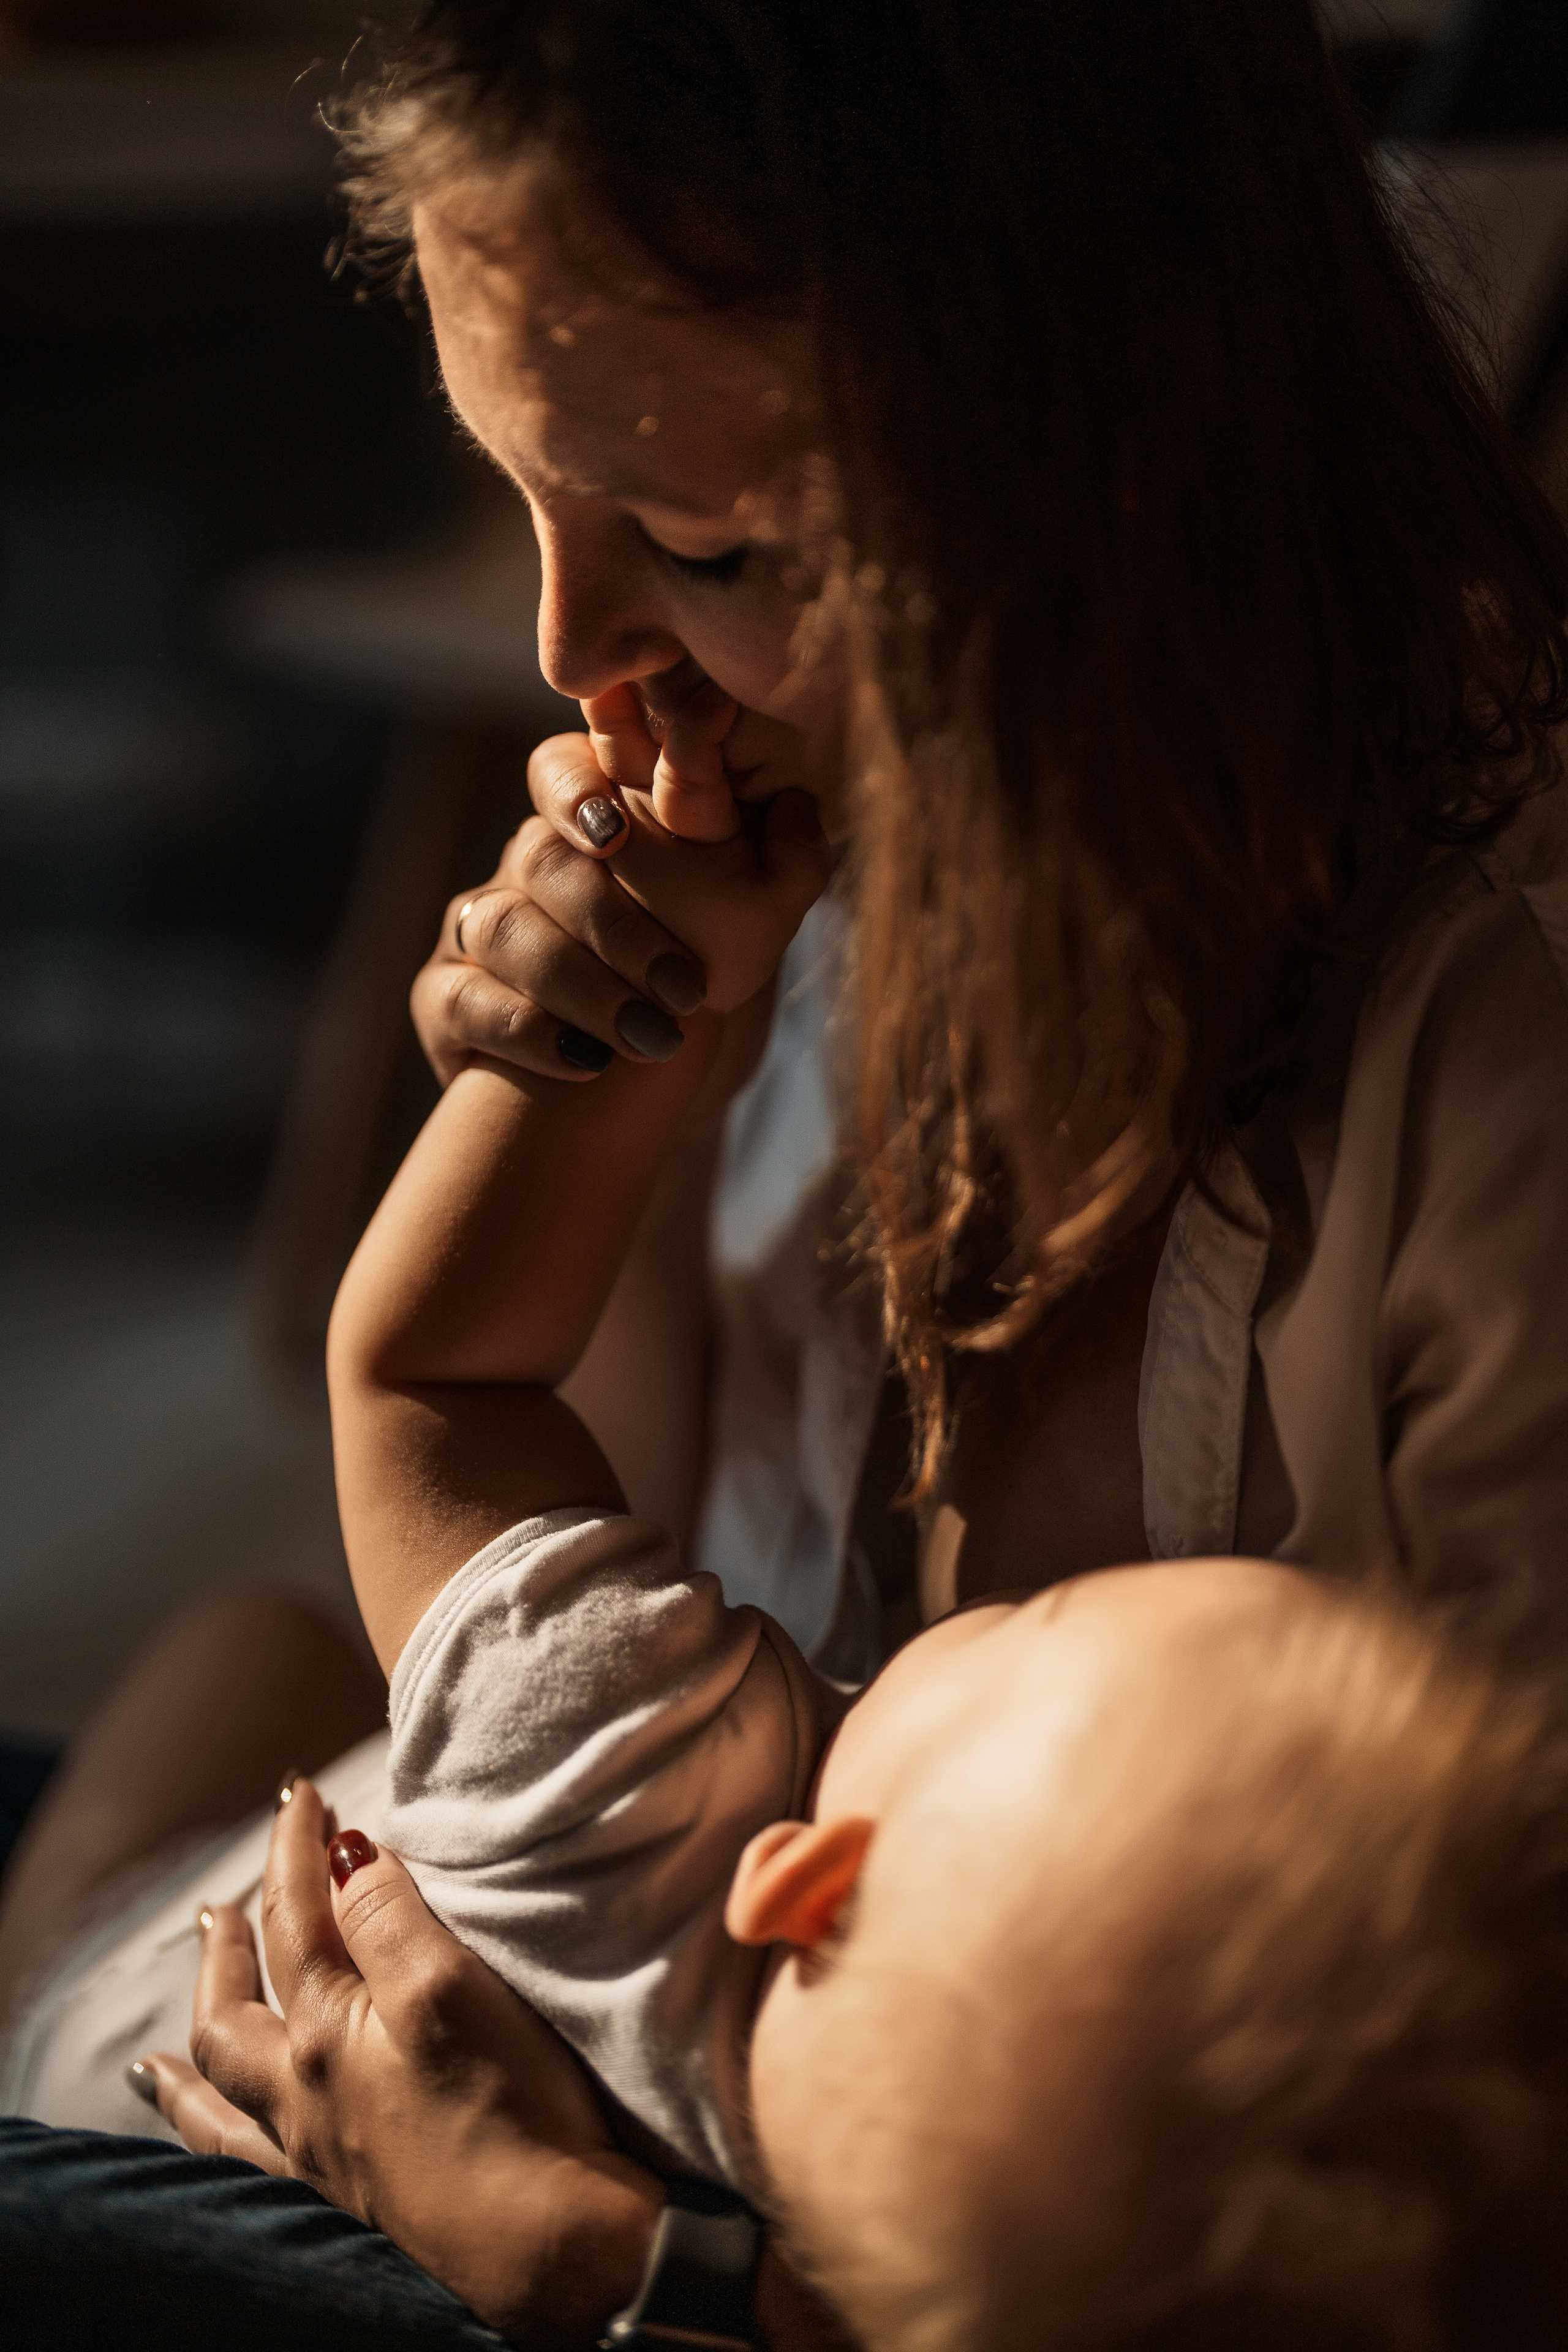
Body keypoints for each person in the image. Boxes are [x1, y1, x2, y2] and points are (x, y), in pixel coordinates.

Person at [6, 0, 1568, 2337]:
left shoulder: (1500, 1085)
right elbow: (561, 1546)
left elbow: (1418, 2204)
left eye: (705, 543)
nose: (571, 662)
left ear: (1098, 467)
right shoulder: (813, 870)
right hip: (395, 1934)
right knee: (242, 1663)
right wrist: (601, 1091)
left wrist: (623, 2274)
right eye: (519, 502)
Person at [18, 796, 1568, 2352]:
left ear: (804, 1883)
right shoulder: (977, 2240)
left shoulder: (628, 1776)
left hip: (115, 2060)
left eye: (1034, 1622)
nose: (991, 1598)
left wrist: (584, 1071)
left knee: (251, 1645)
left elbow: (430, 1382)